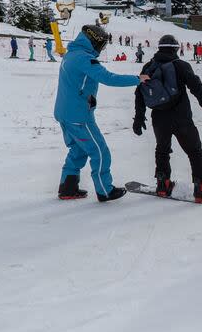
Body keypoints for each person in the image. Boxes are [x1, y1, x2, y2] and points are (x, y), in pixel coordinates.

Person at [55, 25, 149, 202]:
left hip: (65, 113)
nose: (102, 48)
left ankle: (68, 187)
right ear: (93, 42)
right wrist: (137, 79)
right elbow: (108, 78)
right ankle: (105, 190)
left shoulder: (71, 54)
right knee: (100, 151)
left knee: (78, 151)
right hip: (79, 116)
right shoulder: (84, 58)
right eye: (102, 44)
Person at [133, 35, 202, 203]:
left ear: (159, 48)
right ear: (175, 48)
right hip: (182, 118)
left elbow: (140, 93)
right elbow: (196, 86)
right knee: (195, 153)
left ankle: (163, 185)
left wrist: (139, 117)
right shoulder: (181, 65)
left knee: (162, 150)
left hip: (159, 118)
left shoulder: (148, 67)